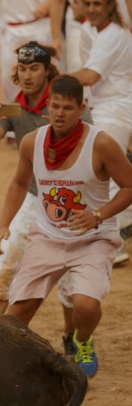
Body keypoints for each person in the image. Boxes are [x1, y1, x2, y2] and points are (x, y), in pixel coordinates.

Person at [0, 74, 132, 378]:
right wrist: (3, 225)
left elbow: (129, 186)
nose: (59, 113)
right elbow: (19, 182)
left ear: (82, 108)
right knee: (18, 311)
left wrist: (98, 215)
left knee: (85, 306)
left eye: (67, 108)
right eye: (55, 106)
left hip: (93, 239)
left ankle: (82, 341)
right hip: (48, 237)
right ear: (47, 107)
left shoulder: (102, 143)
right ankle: (11, 363)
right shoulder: (32, 142)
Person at [0, 42, 91, 356]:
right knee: (6, 265)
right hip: (37, 199)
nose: (26, 75)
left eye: (34, 68)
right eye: (22, 69)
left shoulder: (67, 105)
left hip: (75, 202)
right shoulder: (14, 108)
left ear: (47, 71)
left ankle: (70, 337)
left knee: (70, 282)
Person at [69, 0, 132, 263]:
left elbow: (91, 75)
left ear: (110, 6)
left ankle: (114, 242)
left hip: (117, 109)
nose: (92, 9)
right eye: (89, 3)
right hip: (101, 107)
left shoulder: (114, 35)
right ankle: (121, 228)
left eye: (98, 3)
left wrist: (53, 80)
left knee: (111, 177)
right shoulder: (89, 31)